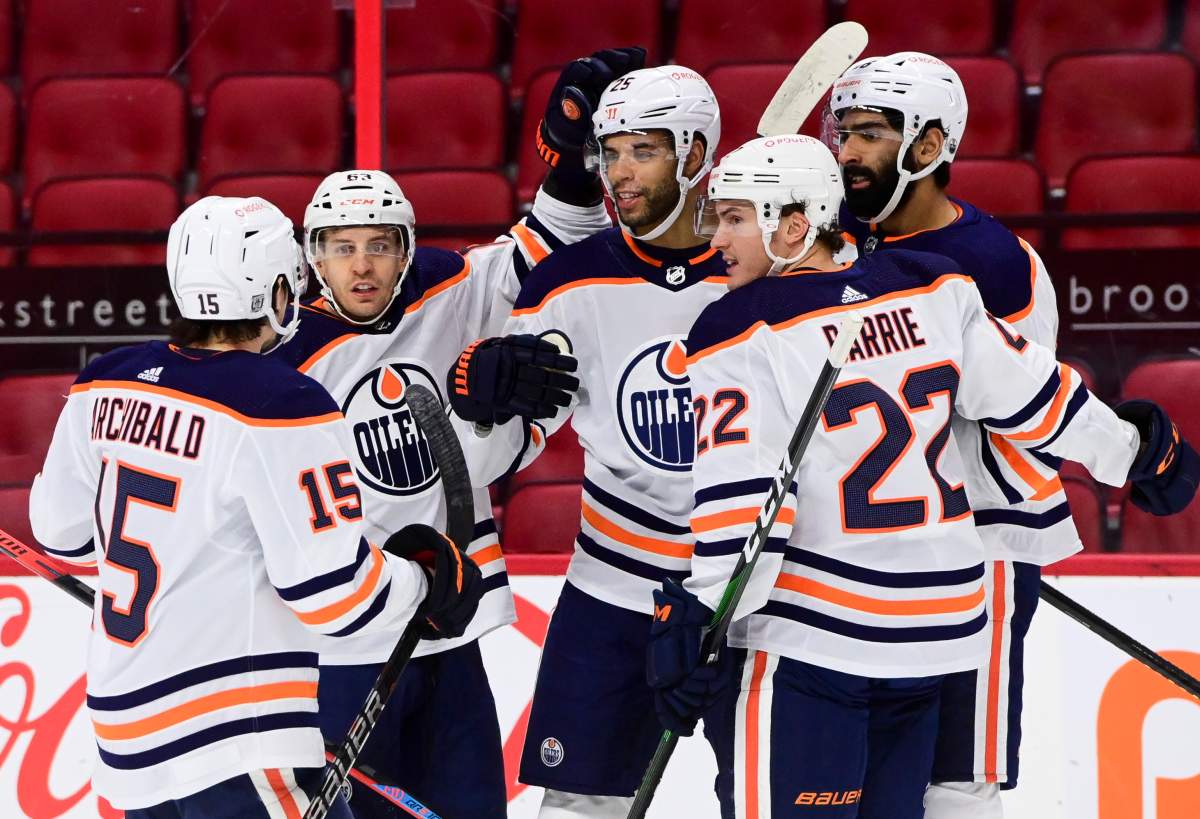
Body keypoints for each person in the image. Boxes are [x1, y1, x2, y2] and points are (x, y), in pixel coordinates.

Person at [649, 134, 1198, 818]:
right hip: (936, 640)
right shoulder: (932, 285)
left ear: (793, 225)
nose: (716, 240)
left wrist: (699, 616)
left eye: (733, 219)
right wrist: (1136, 452)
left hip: (814, 649)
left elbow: (744, 503)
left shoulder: (738, 328)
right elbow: (1039, 400)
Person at [273, 48, 645, 818]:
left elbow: (548, 240)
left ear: (406, 247)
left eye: (380, 243)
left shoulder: (445, 288)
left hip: (452, 630)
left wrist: (577, 160)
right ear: (314, 257)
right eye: (343, 246)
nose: (363, 265)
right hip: (346, 649)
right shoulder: (287, 364)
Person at [27, 196, 482, 818]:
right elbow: (332, 594)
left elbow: (64, 539)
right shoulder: (281, 400)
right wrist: (423, 583)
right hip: (236, 730)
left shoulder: (104, 381)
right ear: (273, 290)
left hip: (125, 727)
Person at [449, 64, 727, 818]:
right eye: (609, 152)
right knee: (576, 806)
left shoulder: (759, 272)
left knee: (784, 795)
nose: (618, 174)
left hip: (753, 587)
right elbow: (485, 461)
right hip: (613, 589)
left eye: (643, 150)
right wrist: (480, 401)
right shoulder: (565, 282)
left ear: (696, 153)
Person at [824, 51, 1064, 817]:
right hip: (862, 557)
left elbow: (1014, 414)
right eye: (843, 133)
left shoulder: (997, 267)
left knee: (958, 781)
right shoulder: (831, 244)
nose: (848, 152)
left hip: (978, 554)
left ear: (929, 147)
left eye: (868, 134)